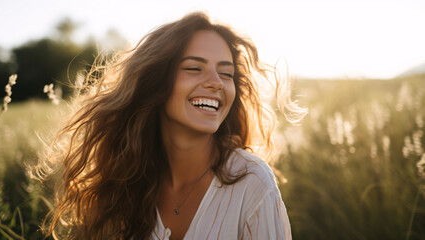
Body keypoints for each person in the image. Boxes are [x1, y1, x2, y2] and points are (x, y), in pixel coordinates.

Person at [32, 12, 306, 240]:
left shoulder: (252, 183)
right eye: (193, 68)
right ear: (156, 81)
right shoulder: (123, 180)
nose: (215, 82)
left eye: (226, 73)